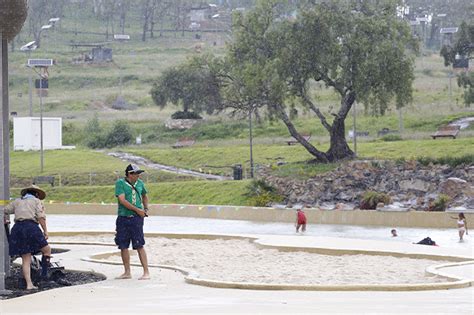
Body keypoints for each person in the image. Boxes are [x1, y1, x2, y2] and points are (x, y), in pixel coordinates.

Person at [3, 185, 52, 290]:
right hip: (31, 227)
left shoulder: (17, 201)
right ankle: (43, 276)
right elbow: (41, 217)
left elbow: (5, 210)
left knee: (26, 258)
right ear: (37, 194)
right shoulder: (36, 201)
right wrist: (45, 231)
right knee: (47, 250)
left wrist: (5, 220)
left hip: (17, 228)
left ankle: (29, 284)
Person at [114, 164, 150, 280]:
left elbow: (144, 195)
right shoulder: (120, 183)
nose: (139, 175)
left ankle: (146, 272)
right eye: (136, 173)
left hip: (136, 219)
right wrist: (138, 210)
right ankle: (127, 272)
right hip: (123, 217)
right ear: (130, 174)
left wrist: (145, 209)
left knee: (139, 244)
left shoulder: (140, 183)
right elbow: (122, 200)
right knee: (123, 245)